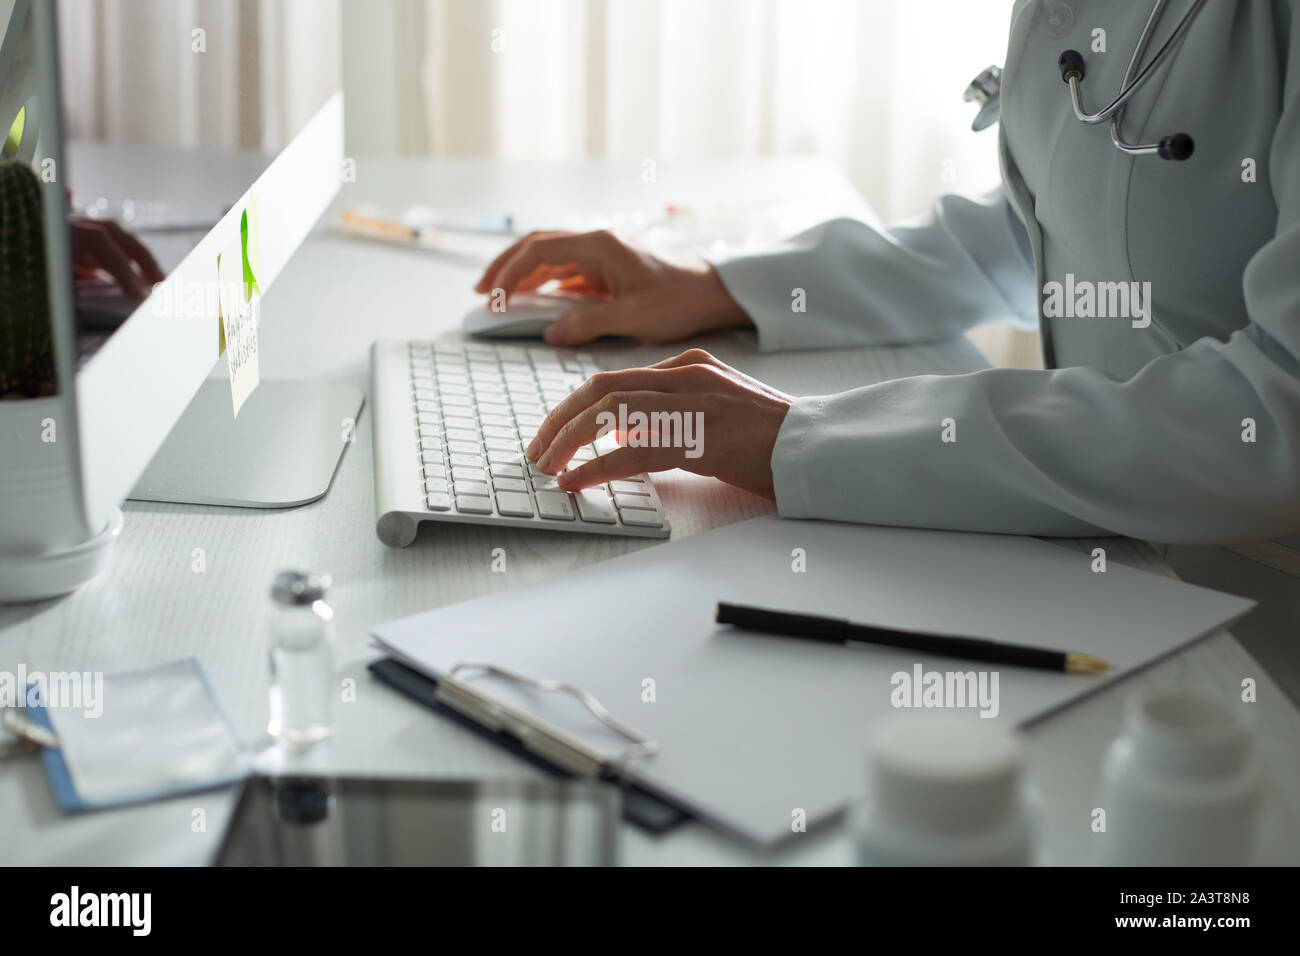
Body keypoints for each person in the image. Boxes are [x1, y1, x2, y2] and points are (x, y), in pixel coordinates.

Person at [476, 0, 1300, 544]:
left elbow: (1275, 414)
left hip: (1253, 619)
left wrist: (807, 440)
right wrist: (719, 288)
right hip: (1112, 553)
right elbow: (1044, 231)